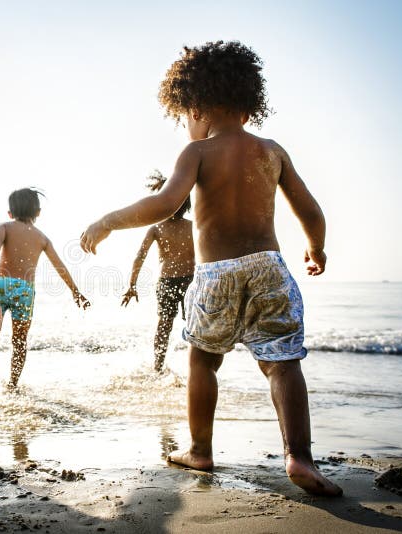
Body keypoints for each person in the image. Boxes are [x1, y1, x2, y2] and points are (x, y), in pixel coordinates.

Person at [80, 41, 341, 496]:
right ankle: (299, 456)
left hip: (215, 273)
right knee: (282, 363)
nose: (186, 125)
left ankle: (200, 449)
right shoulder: (272, 150)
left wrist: (107, 222)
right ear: (247, 100)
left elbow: (163, 205)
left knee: (203, 359)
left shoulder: (197, 153)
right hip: (269, 268)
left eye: (184, 115)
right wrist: (315, 248)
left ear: (196, 104)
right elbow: (311, 211)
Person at [0, 188, 90, 390]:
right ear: (38, 212)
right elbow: (60, 266)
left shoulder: (4, 227)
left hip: (2, 283)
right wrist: (75, 291)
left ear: (10, 213)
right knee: (20, 342)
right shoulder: (42, 238)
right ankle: (12, 384)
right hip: (25, 290)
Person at [121, 171, 194, 372]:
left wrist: (132, 285)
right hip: (188, 281)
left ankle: (158, 367)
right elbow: (140, 256)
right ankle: (170, 366)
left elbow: (140, 256)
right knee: (192, 325)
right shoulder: (191, 228)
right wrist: (132, 284)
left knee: (166, 324)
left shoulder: (159, 228)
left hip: (174, 281)